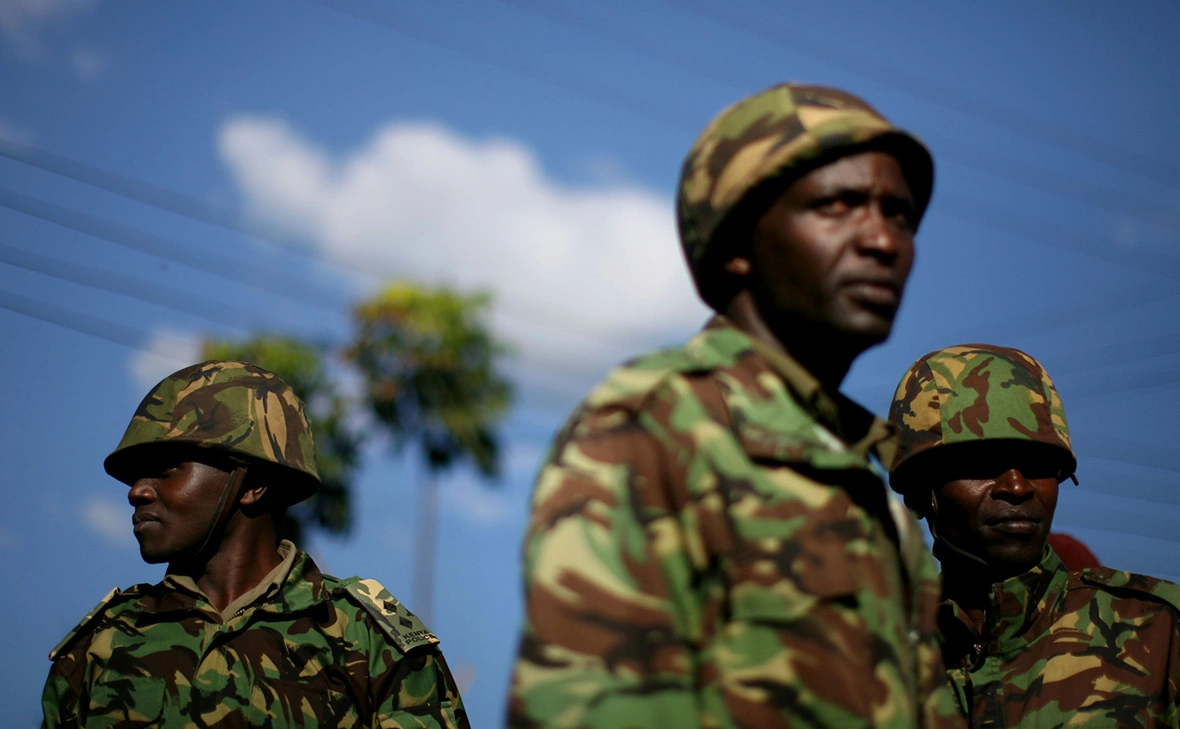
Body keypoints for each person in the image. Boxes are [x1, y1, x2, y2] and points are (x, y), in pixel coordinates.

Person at [507, 83, 963, 728]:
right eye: (838, 205)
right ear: (738, 243)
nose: (884, 241)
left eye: (900, 215)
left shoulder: (873, 494)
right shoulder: (654, 425)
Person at [41, 360, 469, 729]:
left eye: (166, 468)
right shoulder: (101, 645)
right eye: (135, 474)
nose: (137, 491)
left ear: (254, 484)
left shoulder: (365, 643)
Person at [888, 344, 1180, 728]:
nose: (1016, 486)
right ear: (918, 494)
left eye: (1039, 464)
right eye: (984, 462)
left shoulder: (1157, 630)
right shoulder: (868, 663)